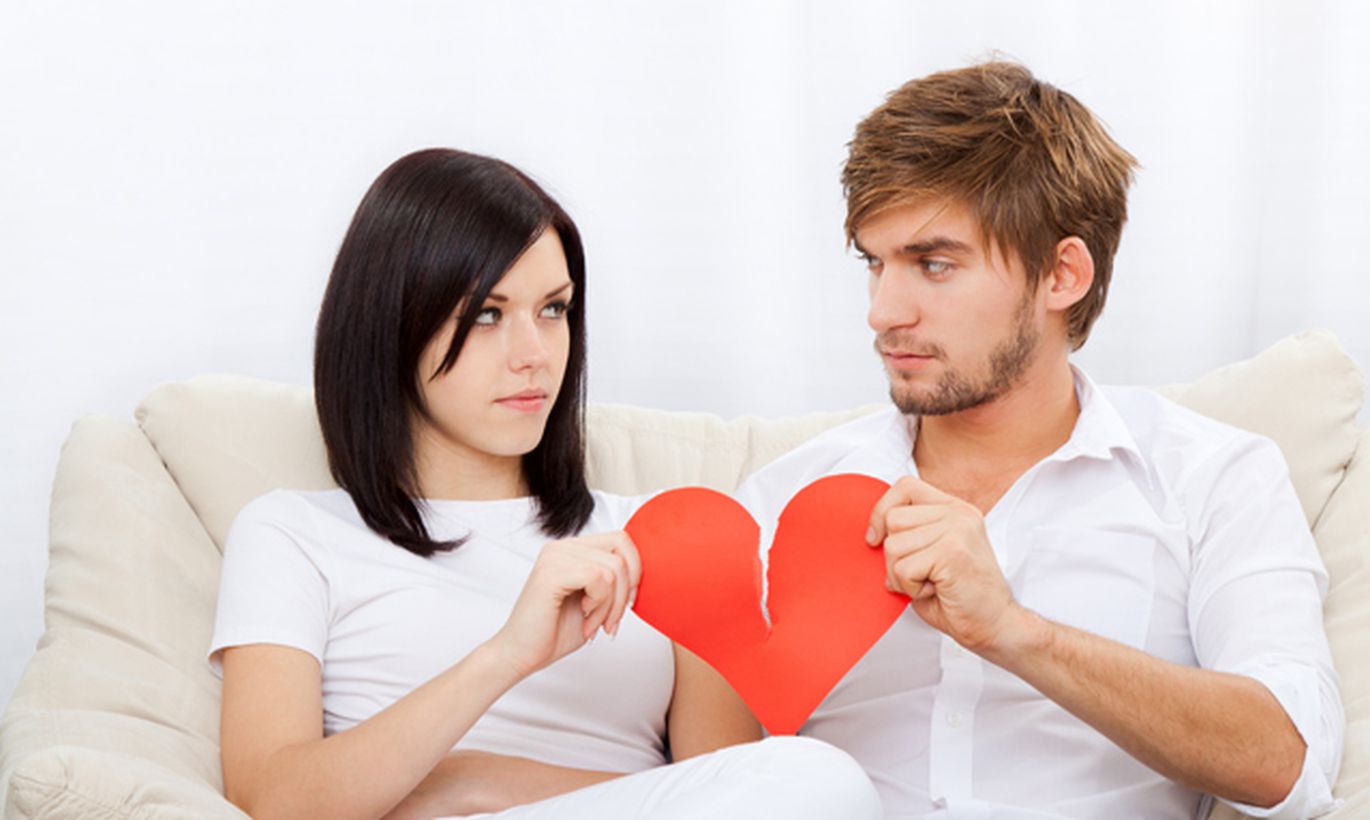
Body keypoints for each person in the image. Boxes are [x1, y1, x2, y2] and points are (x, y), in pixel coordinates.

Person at [736, 62, 1343, 818]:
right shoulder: (786, 497)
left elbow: (1289, 762)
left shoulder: (1213, 477)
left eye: (934, 264)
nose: (883, 312)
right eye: (875, 263)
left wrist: (1015, 632)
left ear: (1062, 274)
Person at [208, 148, 881, 820]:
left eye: (554, 309)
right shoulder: (293, 533)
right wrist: (505, 657)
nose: (535, 355)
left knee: (816, 776)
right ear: (392, 324)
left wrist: (466, 786)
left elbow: (736, 787)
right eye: (487, 314)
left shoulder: (656, 535)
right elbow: (272, 800)